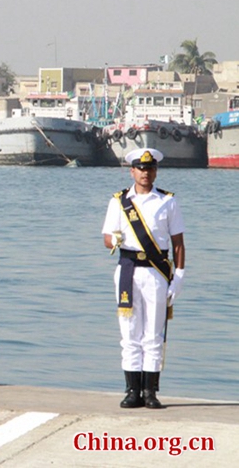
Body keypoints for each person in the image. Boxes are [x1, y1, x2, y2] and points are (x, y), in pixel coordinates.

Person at [102, 148, 186, 409]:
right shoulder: (119, 201)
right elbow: (107, 238)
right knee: (129, 333)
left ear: (155, 171)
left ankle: (150, 392)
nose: (145, 173)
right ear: (132, 171)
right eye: (140, 168)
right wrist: (114, 239)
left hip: (156, 272)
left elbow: (178, 243)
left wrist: (179, 276)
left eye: (149, 169)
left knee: (153, 333)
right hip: (128, 270)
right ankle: (132, 390)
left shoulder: (167, 201)